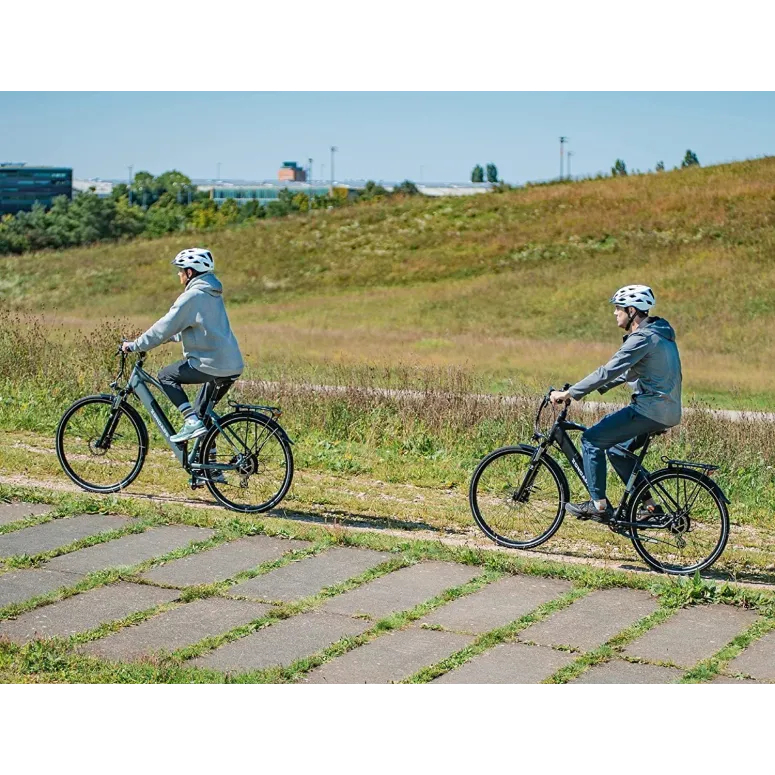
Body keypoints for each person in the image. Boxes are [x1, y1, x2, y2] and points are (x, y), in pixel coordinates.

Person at [549, 285, 682, 522]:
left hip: (650, 410)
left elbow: (607, 370)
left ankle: (598, 506)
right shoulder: (659, 334)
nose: (615, 313)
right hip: (667, 410)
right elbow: (626, 373)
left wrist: (569, 394)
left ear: (631, 310)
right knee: (617, 451)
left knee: (591, 440)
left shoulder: (642, 338)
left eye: (618, 308)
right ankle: (650, 508)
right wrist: (592, 389)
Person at [121, 248, 244, 455]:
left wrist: (136, 345)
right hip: (231, 365)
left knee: (166, 376)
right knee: (202, 415)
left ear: (190, 272)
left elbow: (165, 326)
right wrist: (169, 339)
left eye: (181, 270)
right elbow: (198, 329)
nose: (179, 274)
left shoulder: (192, 296)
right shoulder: (211, 293)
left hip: (210, 364)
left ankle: (190, 421)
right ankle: (211, 467)